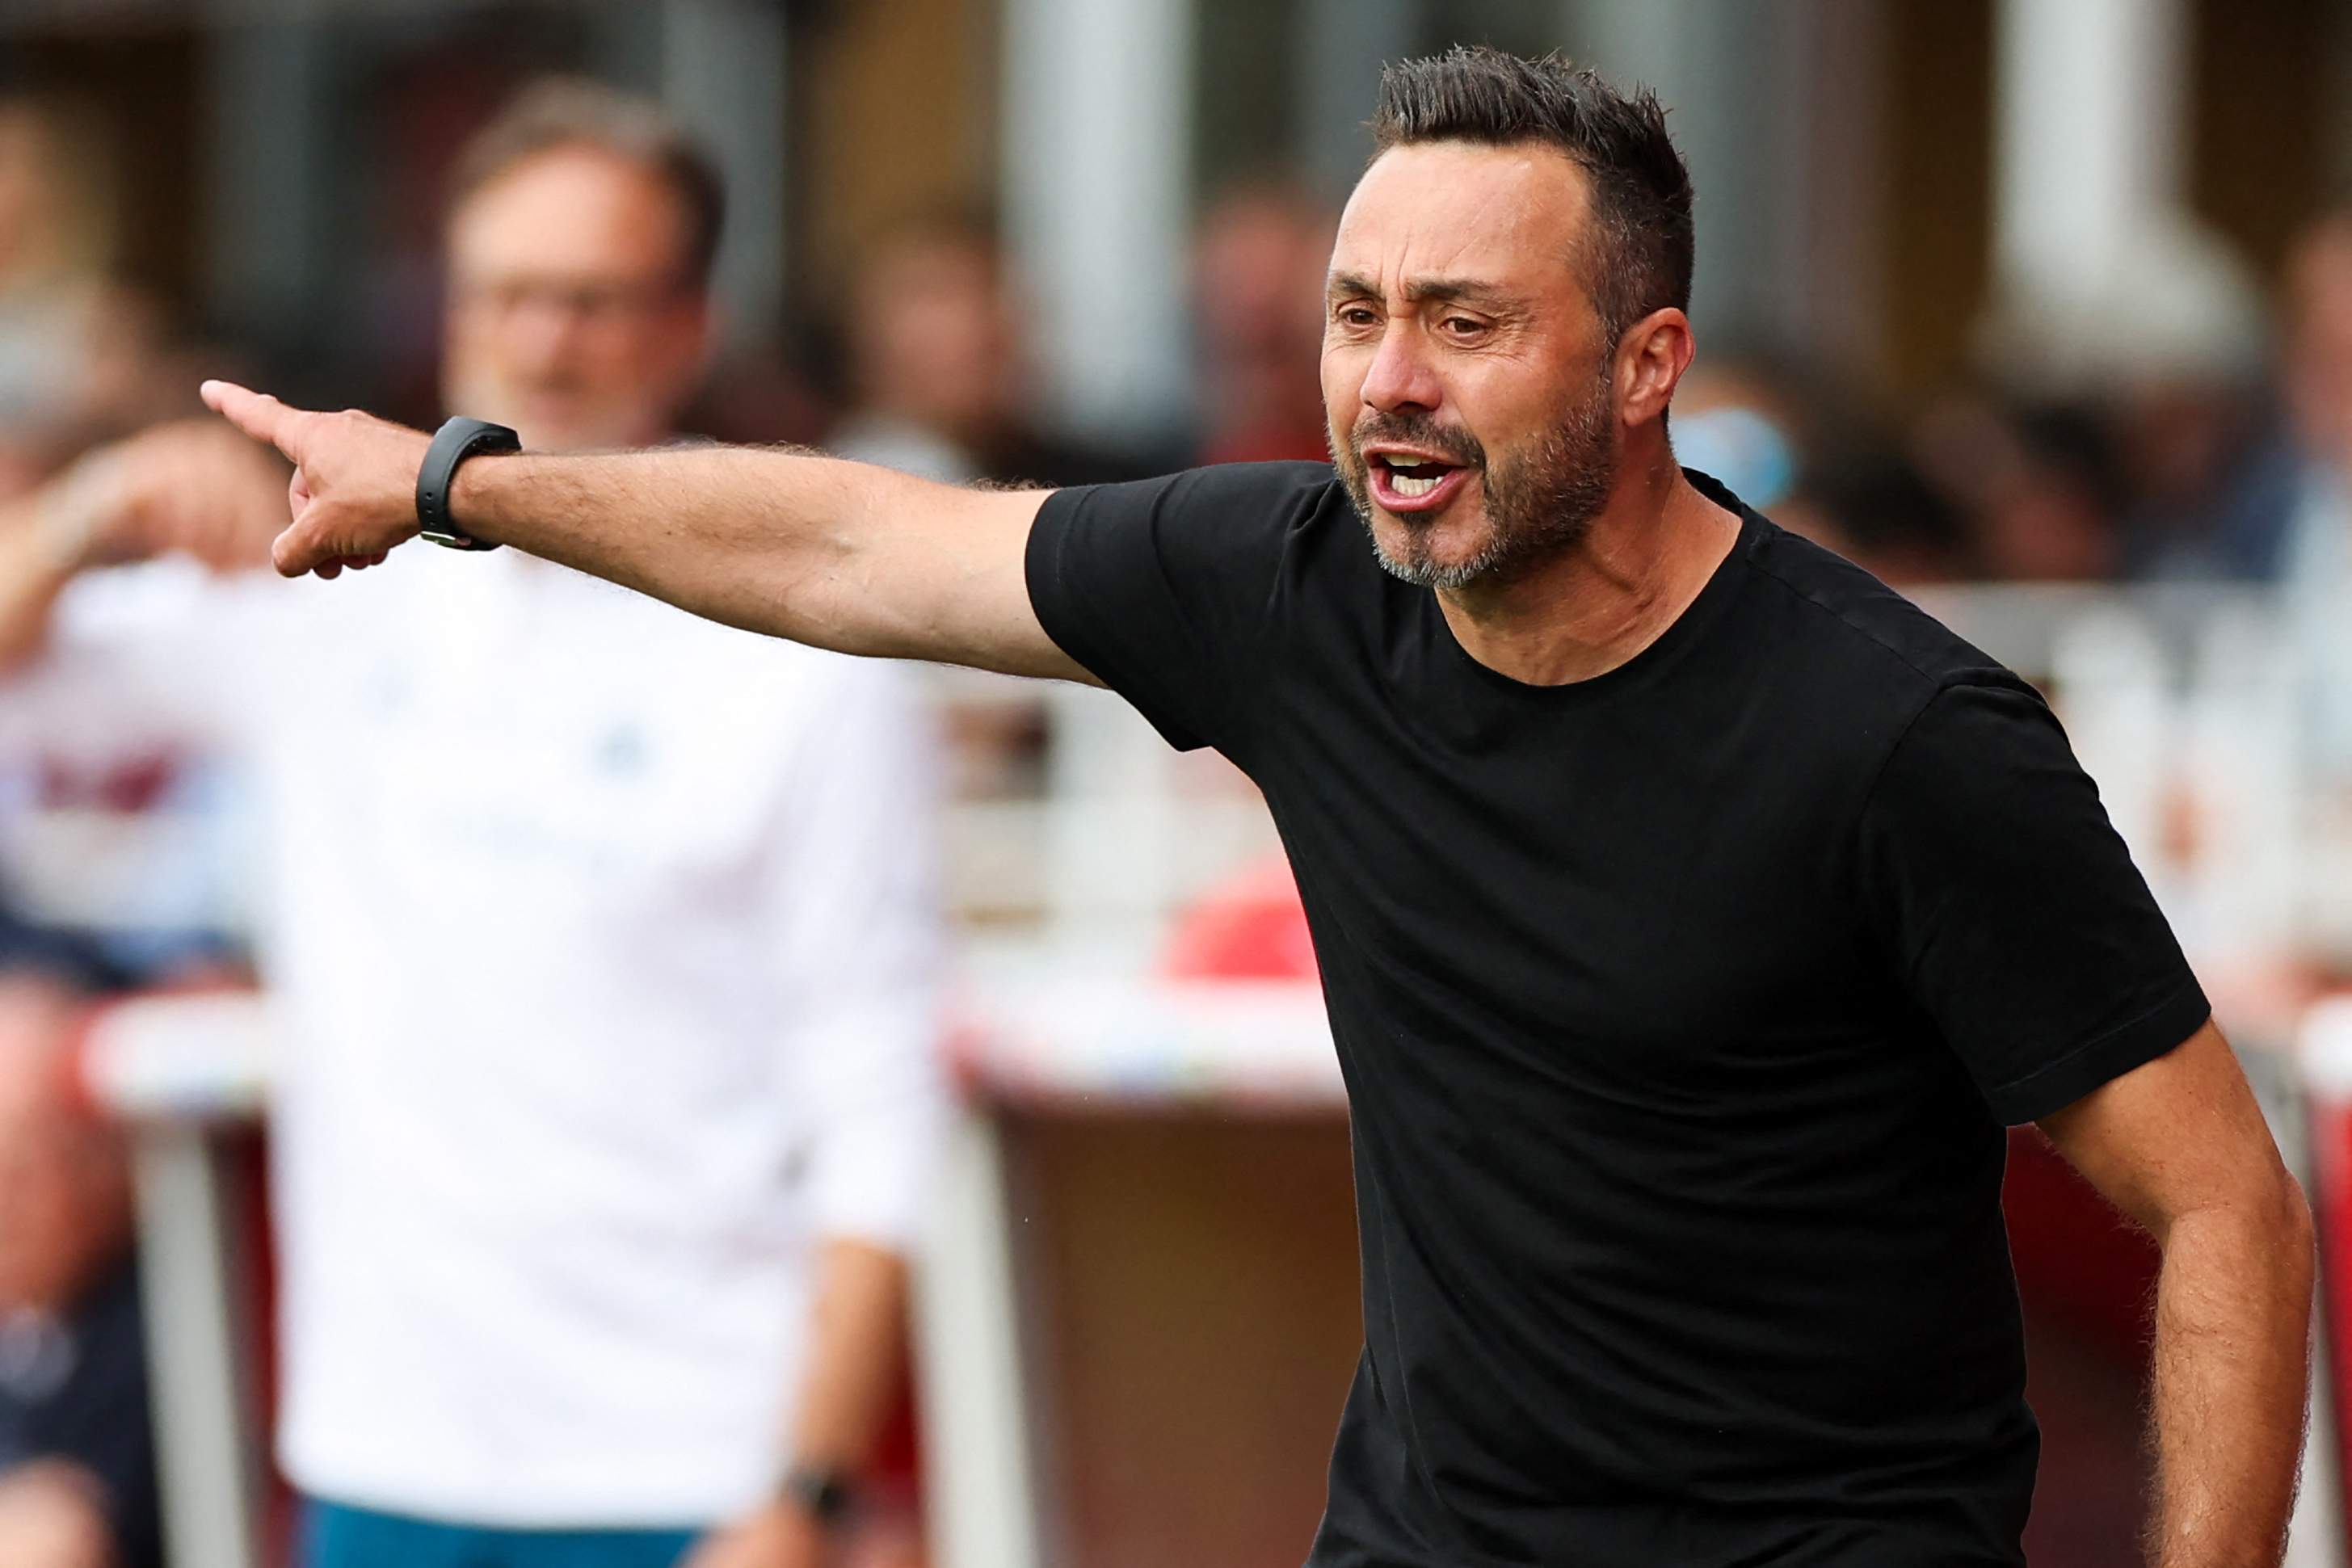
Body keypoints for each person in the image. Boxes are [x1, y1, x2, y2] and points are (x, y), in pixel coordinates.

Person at [205, 48, 2312, 1568]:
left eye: (1465, 324)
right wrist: (463, 485)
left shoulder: (1898, 736)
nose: (1387, 379)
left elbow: (2225, 1202)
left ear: (1645, 362)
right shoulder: (1295, 587)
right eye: (1355, 316)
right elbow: (856, 547)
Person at [0, 78, 945, 1568]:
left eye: (594, 300)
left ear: (689, 324)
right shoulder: (327, 586)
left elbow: (878, 1091)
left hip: (688, 1464)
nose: (544, 340)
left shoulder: (801, 643)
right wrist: (92, 506)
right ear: (449, 306)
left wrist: (804, 1489)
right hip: (377, 1454)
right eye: (507, 292)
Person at [0, 972, 158, 1568]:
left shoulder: (162, 1322)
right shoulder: (28, 1317)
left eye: (22, 1172)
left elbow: (59, 1536)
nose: (5, 1211)